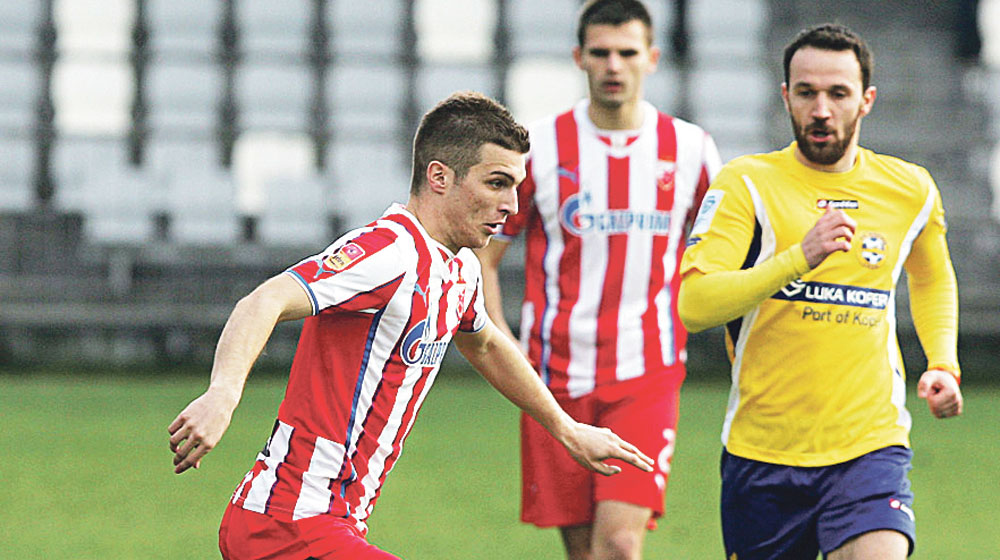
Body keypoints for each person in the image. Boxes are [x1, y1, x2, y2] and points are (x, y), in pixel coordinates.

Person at [167, 91, 654, 560]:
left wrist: (567, 429)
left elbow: (486, 345)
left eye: (516, 187)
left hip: (331, 523)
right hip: (288, 524)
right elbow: (265, 299)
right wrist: (223, 393)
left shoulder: (460, 270)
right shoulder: (388, 253)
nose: (511, 205)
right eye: (497, 183)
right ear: (439, 176)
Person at [678, 24, 964, 559]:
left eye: (838, 93)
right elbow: (695, 305)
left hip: (870, 447)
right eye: (807, 93)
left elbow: (931, 276)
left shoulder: (910, 189)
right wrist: (798, 258)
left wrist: (943, 362)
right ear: (786, 96)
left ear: (866, 100)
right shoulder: (746, 183)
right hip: (762, 454)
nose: (822, 110)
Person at [475, 1, 721, 558]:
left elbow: (722, 251)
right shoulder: (539, 149)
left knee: (619, 543)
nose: (614, 65)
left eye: (627, 52)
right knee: (585, 550)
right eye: (601, 52)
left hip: (646, 371)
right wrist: (504, 343)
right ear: (579, 57)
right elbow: (484, 256)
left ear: (651, 58)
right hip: (554, 375)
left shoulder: (690, 150)